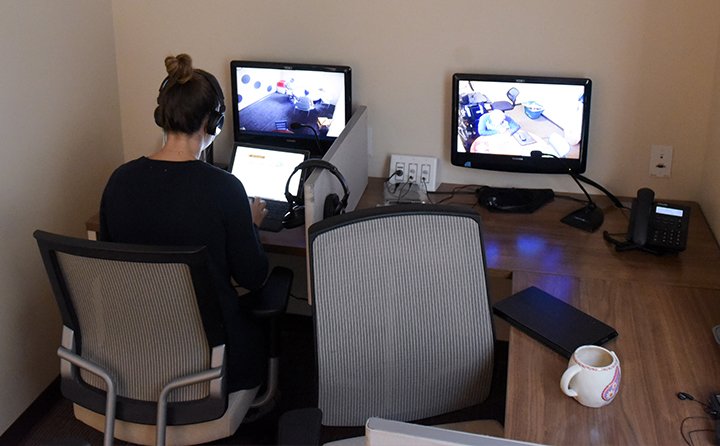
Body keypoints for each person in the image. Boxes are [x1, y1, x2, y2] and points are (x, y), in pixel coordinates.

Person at [99, 53, 271, 392]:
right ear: (214, 123)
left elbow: (112, 262)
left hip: (134, 348)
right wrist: (250, 225)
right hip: (209, 354)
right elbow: (253, 276)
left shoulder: (119, 181)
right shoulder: (225, 189)